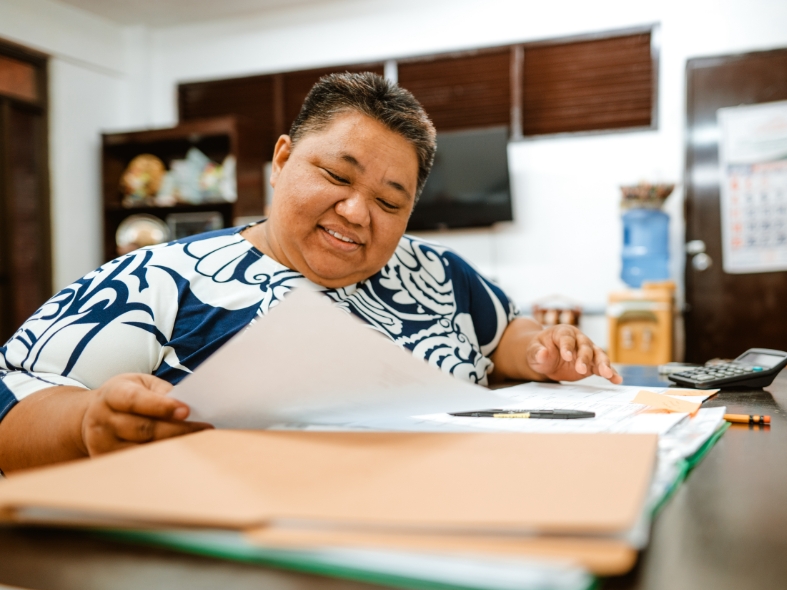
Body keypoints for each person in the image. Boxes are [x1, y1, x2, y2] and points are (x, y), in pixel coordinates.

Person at [0, 73, 620, 473]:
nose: (357, 212)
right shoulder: (158, 280)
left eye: (389, 201)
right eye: (337, 176)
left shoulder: (437, 271)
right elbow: (16, 399)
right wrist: (87, 424)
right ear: (283, 158)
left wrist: (541, 347)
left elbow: (503, 336)